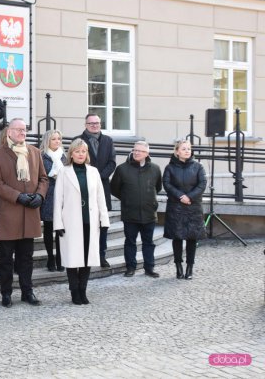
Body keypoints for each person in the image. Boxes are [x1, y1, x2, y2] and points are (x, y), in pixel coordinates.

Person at [0, 118, 48, 308]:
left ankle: (27, 291)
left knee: (26, 257)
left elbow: (44, 178)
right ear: (9, 132)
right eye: (19, 129)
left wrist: (40, 195)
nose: (23, 133)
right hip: (9, 213)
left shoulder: (35, 152)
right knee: (6, 258)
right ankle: (6, 293)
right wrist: (17, 196)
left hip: (30, 213)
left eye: (25, 130)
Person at [54, 138, 110, 305]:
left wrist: (104, 220)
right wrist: (58, 224)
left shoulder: (93, 172)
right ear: (71, 153)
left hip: (90, 220)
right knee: (72, 258)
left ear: (87, 154)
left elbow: (101, 198)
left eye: (83, 151)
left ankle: (83, 290)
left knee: (87, 257)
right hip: (71, 221)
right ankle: (74, 291)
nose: (80, 154)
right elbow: (58, 199)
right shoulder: (64, 172)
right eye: (77, 151)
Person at [110, 141, 162, 278]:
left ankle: (149, 268)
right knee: (130, 242)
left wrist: (149, 201)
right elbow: (114, 188)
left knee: (148, 242)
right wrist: (127, 199)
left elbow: (157, 187)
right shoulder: (122, 169)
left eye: (141, 151)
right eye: (135, 150)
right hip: (130, 213)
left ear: (147, 153)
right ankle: (130, 267)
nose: (137, 153)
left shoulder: (155, 169)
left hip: (149, 212)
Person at [162, 139, 207, 280]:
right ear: (177, 151)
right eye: (184, 149)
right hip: (176, 206)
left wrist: (189, 197)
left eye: (189, 148)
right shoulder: (170, 168)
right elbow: (167, 184)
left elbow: (202, 184)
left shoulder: (198, 166)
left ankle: (190, 267)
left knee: (191, 238)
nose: (187, 151)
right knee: (177, 237)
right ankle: (178, 267)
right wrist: (180, 196)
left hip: (193, 207)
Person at [78, 113, 116, 268]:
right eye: (91, 123)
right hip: (84, 189)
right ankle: (84, 255)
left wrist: (98, 178)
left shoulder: (108, 140)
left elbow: (112, 162)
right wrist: (90, 179)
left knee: (102, 225)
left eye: (97, 123)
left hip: (103, 188)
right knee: (84, 224)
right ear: (86, 124)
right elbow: (76, 162)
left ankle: (101, 256)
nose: (94, 125)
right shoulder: (78, 140)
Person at [39, 129, 66, 272]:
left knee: (61, 230)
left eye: (59, 139)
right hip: (49, 196)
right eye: (54, 139)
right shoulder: (42, 156)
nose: (57, 141)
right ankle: (51, 257)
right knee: (49, 229)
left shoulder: (64, 157)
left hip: (63, 197)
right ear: (47, 141)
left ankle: (60, 258)